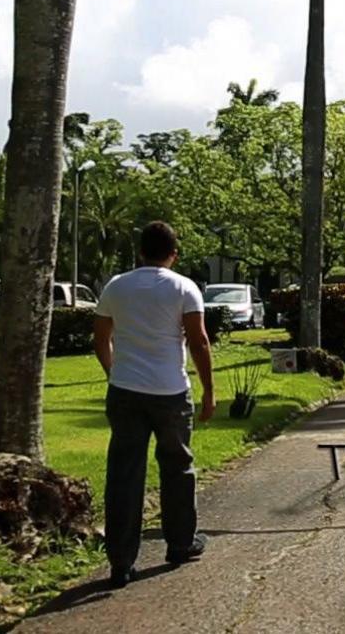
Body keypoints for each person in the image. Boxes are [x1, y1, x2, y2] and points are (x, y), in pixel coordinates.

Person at [93, 220, 216, 588]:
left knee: (124, 474)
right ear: (173, 255)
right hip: (171, 392)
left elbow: (101, 339)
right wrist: (209, 390)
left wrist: (114, 372)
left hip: (125, 390)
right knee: (177, 467)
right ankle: (180, 544)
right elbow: (199, 342)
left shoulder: (116, 286)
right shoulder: (184, 288)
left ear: (140, 252)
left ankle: (121, 562)